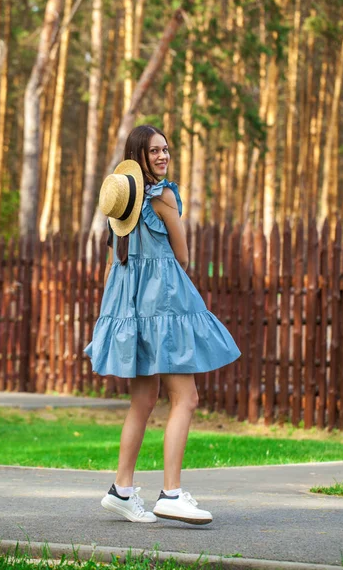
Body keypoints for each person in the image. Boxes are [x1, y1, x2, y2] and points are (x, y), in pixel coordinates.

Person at [84, 125, 241, 525]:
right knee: (185, 399)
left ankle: (121, 489)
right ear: (139, 155)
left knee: (143, 400)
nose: (163, 156)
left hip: (131, 309)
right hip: (164, 307)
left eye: (166, 150)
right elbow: (183, 254)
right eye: (155, 151)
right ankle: (170, 493)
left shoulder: (121, 211)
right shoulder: (164, 196)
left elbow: (116, 266)